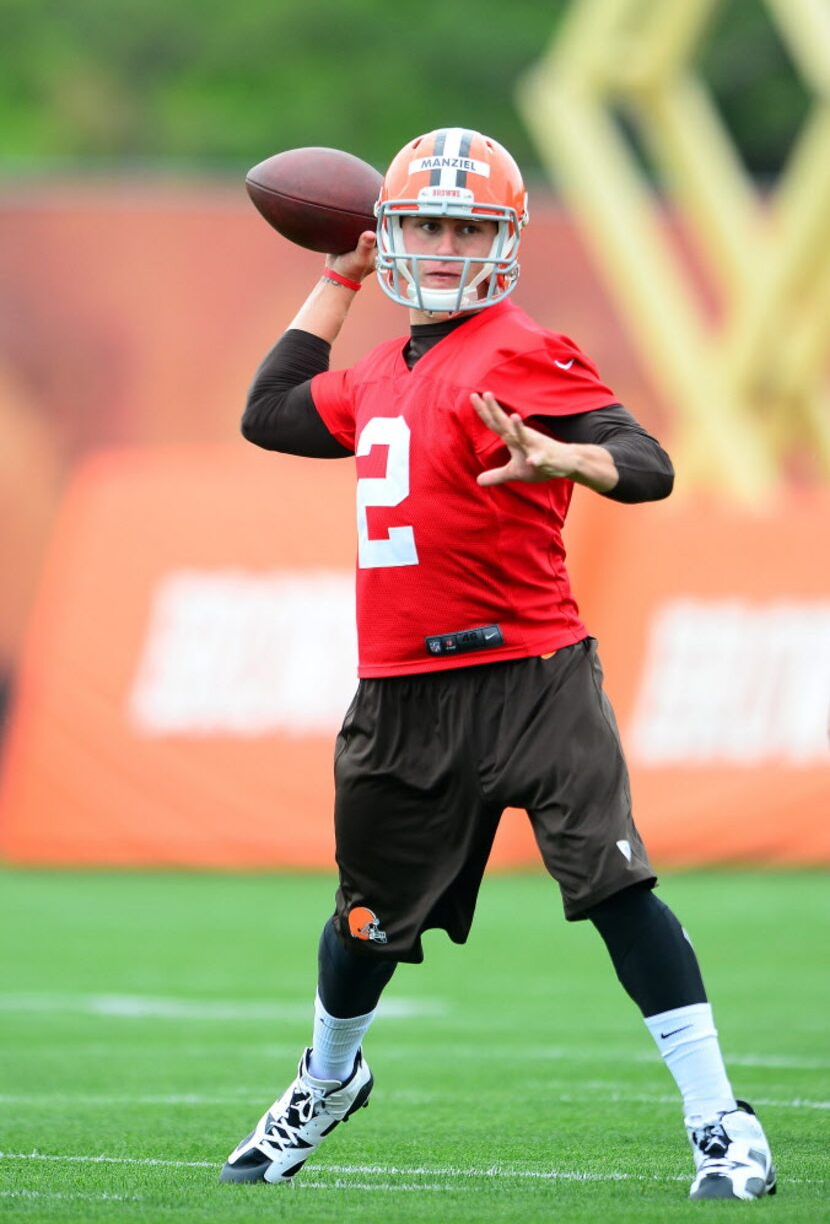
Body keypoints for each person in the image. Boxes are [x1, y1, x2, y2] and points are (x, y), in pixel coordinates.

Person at [220, 127, 776, 1200]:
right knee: (364, 924)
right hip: (399, 690)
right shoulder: (379, 370)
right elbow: (267, 414)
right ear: (386, 232)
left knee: (617, 889)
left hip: (532, 672)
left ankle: (719, 1121)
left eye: (464, 225)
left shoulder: (523, 349)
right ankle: (328, 1080)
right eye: (421, 222)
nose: (440, 243)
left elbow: (648, 463)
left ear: (501, 240)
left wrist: (569, 455)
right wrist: (334, 275)